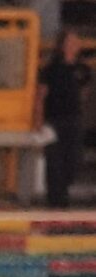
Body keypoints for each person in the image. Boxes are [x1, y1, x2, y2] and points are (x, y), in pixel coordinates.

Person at [43, 27, 88, 206]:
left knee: (72, 159)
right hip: (54, 119)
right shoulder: (52, 68)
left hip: (73, 119)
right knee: (54, 160)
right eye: (70, 42)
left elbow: (83, 92)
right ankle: (55, 199)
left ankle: (64, 189)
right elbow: (42, 94)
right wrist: (39, 120)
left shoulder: (82, 69)